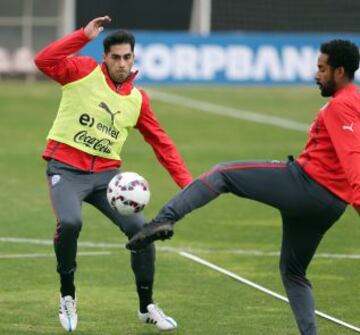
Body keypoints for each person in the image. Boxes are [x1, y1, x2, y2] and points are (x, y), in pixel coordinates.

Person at [127, 39, 360, 335]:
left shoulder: (340, 107)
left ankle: (163, 219)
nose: (316, 75)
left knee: (223, 174)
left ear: (340, 71)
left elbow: (354, 161)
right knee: (293, 273)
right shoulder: (355, 101)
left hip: (305, 186)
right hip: (330, 207)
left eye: (322, 69)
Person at [34, 16, 192, 332]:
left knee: (142, 232)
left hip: (107, 179)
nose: (122, 63)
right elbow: (43, 60)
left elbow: (162, 144)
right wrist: (83, 35)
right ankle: (67, 295)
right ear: (105, 56)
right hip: (65, 169)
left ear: (133, 58)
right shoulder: (81, 72)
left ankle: (146, 306)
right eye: (116, 57)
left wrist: (191, 186)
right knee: (70, 222)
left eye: (127, 57)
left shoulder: (137, 99)